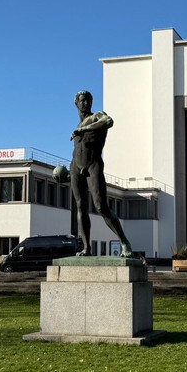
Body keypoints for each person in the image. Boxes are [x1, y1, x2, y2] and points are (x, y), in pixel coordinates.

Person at [68, 90, 133, 257]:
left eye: (88, 100)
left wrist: (85, 128)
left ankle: (124, 241)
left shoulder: (96, 116)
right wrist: (66, 175)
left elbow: (108, 121)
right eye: (82, 100)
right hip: (76, 166)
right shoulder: (77, 126)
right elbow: (77, 151)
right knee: (80, 206)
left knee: (101, 207)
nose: (85, 103)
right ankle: (87, 248)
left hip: (93, 165)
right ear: (76, 103)